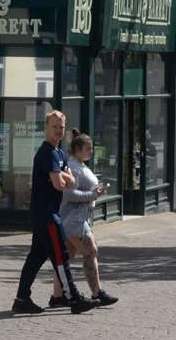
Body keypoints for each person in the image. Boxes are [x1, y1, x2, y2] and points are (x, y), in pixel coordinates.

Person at [13, 110, 95, 314]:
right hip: (46, 214)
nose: (58, 130)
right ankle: (73, 298)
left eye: (61, 127)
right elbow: (61, 185)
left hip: (50, 213)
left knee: (37, 256)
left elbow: (70, 181)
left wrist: (65, 179)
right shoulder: (47, 153)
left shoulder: (58, 153)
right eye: (54, 127)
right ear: (46, 128)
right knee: (61, 254)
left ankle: (22, 299)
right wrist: (64, 179)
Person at [50, 133, 117, 308]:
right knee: (91, 251)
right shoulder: (72, 167)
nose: (92, 151)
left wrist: (96, 191)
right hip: (73, 220)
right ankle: (97, 293)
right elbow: (70, 194)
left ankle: (57, 296)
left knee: (68, 257)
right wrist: (93, 194)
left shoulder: (81, 165)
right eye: (88, 148)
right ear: (78, 150)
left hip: (80, 218)